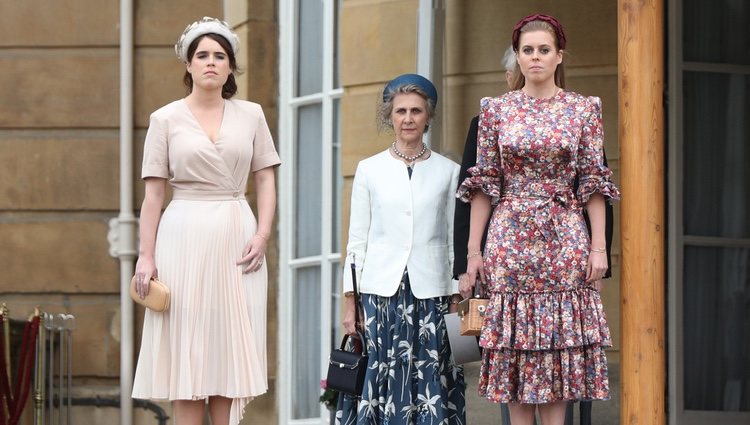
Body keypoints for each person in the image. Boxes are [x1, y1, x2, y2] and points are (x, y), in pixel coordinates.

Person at [456, 14, 620, 425]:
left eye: (543, 50)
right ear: (517, 56)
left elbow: (594, 182)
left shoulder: (583, 109)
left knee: (558, 356)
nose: (535, 57)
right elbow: (484, 184)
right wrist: (473, 252)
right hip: (509, 240)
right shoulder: (495, 111)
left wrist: (599, 247)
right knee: (513, 356)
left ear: (558, 56)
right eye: (527, 50)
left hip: (565, 237)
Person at [131, 17, 280, 425]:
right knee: (189, 354)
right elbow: (153, 196)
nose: (211, 62)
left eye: (220, 56)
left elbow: (265, 178)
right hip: (182, 237)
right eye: (202, 55)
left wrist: (263, 235)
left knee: (228, 350)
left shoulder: (251, 115)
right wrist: (146, 257)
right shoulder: (164, 119)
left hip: (238, 234)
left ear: (230, 67)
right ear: (189, 65)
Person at [337, 74, 466, 425]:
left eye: (416, 111)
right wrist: (351, 302)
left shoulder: (449, 172)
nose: (408, 118)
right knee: (382, 377)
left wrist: (455, 297)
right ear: (389, 116)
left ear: (428, 117)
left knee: (431, 377)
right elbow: (356, 241)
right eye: (400, 111)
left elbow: (456, 238)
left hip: (432, 296)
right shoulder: (369, 170)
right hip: (381, 296)